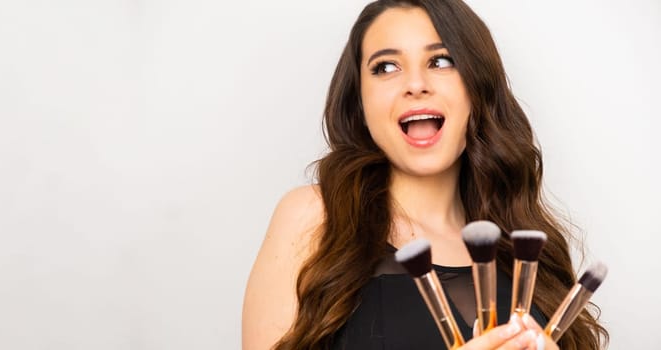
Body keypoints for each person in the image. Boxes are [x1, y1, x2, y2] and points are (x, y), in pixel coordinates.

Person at [241, 1, 609, 349]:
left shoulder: (528, 255)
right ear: (360, 102)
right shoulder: (313, 218)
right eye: (386, 67)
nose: (416, 84)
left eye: (441, 60)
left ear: (476, 89)